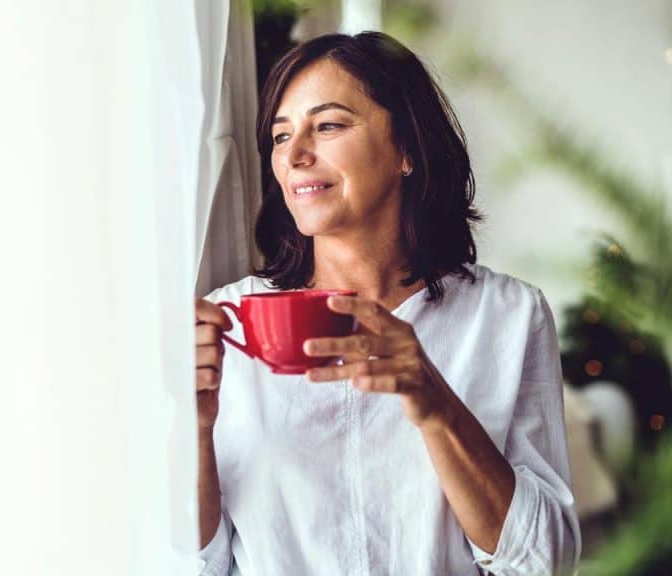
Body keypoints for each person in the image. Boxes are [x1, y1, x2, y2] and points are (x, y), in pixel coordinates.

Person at [193, 32, 579, 575]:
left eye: (327, 126)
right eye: (281, 137)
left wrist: (437, 403)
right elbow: (191, 562)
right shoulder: (225, 325)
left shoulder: (510, 317)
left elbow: (543, 564)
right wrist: (191, 427)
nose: (296, 156)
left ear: (406, 149)